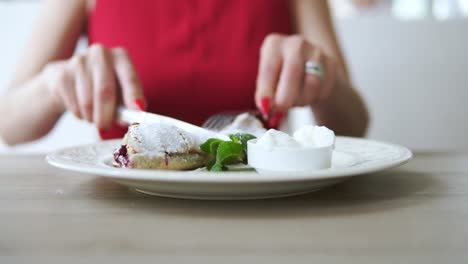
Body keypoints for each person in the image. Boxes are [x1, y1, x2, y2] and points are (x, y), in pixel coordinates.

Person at [0, 0, 368, 145]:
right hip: (123, 211)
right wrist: (55, 84)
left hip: (260, 208)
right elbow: (8, 125)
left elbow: (354, 124)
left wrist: (321, 77)